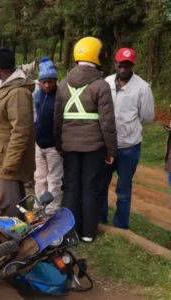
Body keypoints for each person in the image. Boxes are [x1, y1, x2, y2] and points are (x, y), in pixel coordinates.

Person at [54, 37, 117, 242]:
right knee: (90, 187)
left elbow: (57, 119)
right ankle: (88, 233)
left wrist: (60, 145)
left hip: (69, 146)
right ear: (97, 56)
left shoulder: (63, 85)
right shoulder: (101, 86)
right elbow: (107, 123)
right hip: (94, 147)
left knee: (71, 186)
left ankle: (68, 232)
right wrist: (111, 151)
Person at [99, 48, 154, 229]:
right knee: (101, 184)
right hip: (107, 145)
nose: (123, 68)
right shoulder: (106, 82)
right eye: (121, 64)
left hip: (129, 147)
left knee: (123, 189)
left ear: (132, 65)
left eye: (127, 65)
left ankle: (121, 225)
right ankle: (100, 219)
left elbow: (147, 117)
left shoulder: (142, 88)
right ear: (115, 63)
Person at [0, 47, 35, 217]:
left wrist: (11, 163)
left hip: (7, 159)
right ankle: (9, 236)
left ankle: (14, 240)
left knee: (10, 205)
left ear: (0, 69)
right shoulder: (5, 86)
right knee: (5, 202)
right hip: (0, 156)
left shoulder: (17, 92)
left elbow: (21, 130)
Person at [34, 57, 63, 214]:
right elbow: (35, 115)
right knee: (39, 177)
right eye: (43, 82)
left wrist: (61, 143)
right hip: (39, 144)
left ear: (55, 81)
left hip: (54, 146)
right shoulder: (37, 95)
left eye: (50, 82)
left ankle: (51, 210)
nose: (46, 85)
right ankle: (39, 206)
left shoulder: (60, 96)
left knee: (54, 179)